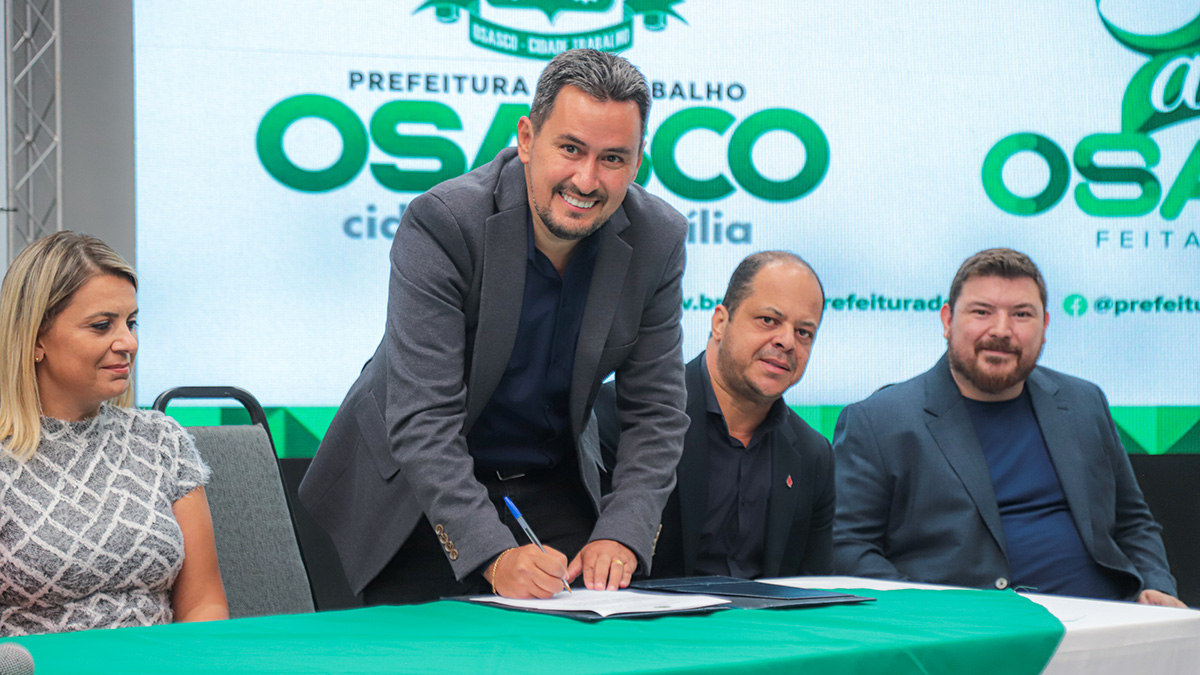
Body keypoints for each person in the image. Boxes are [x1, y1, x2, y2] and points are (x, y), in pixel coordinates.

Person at [299, 49, 689, 603]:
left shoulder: (658, 239)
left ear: (637, 162)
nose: (587, 179)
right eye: (570, 149)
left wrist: (623, 532)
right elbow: (424, 418)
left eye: (612, 159)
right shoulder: (443, 221)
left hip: (546, 479)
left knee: (590, 635)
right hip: (413, 490)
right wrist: (492, 555)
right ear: (527, 139)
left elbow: (656, 413)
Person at [833, 248, 1183, 606]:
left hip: (1109, 618)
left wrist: (1157, 586)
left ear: (1044, 327)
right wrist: (923, 613)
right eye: (982, 312)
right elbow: (848, 545)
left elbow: (1133, 521)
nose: (1001, 330)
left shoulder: (1084, 401)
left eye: (1021, 314)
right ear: (947, 320)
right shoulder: (878, 421)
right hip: (968, 629)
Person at [0, 232, 228, 636]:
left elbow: (204, 603)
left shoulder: (161, 440)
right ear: (35, 339)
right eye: (102, 325)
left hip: (163, 662)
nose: (129, 342)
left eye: (131, 323)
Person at [596, 251, 834, 579]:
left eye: (804, 332)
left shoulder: (813, 455)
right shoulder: (623, 413)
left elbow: (814, 587)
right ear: (720, 322)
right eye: (769, 320)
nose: (787, 341)